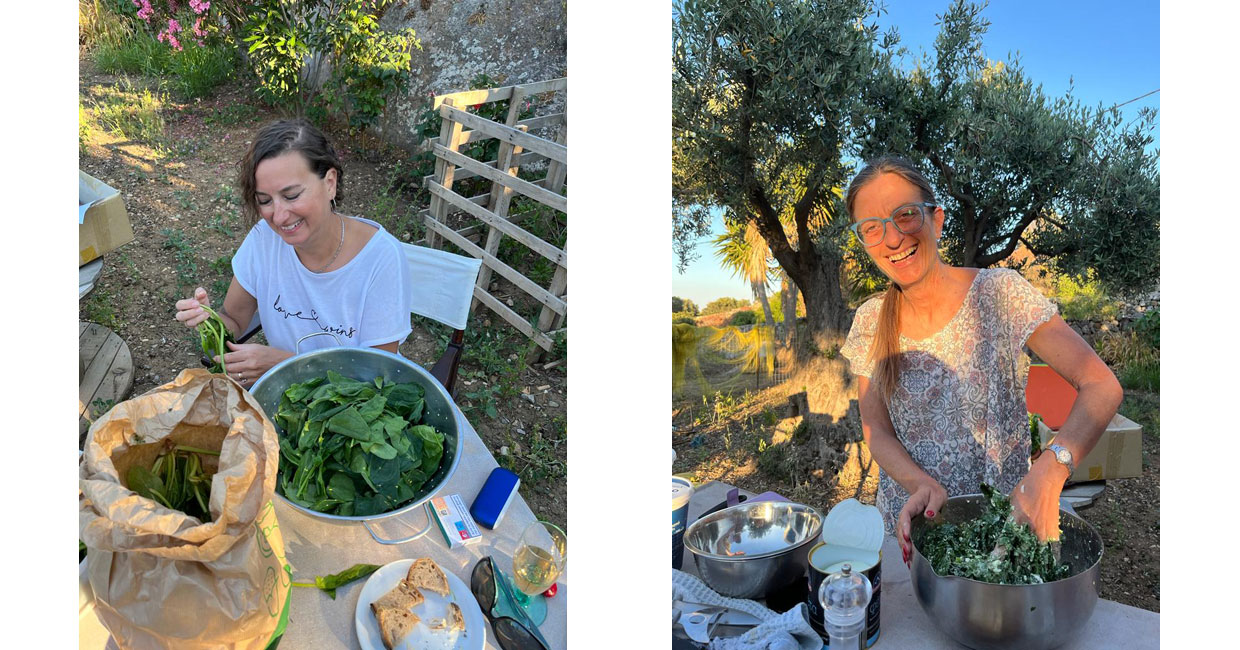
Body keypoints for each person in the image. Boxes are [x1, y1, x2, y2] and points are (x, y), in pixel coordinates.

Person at [837, 156, 1123, 565]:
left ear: (936, 220)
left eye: (904, 216)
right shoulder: (869, 321)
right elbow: (876, 430)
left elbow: (1102, 386)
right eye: (871, 229)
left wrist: (1049, 472)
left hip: (1006, 530)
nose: (893, 239)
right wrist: (919, 483)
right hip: (914, 537)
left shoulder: (1000, 295)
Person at [174, 119, 413, 386]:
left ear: (330, 183)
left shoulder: (380, 258)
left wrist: (285, 365)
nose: (278, 216)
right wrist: (210, 323)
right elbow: (234, 321)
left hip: (356, 409)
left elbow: (376, 376)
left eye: (292, 195)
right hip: (290, 396)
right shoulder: (264, 240)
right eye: (264, 200)